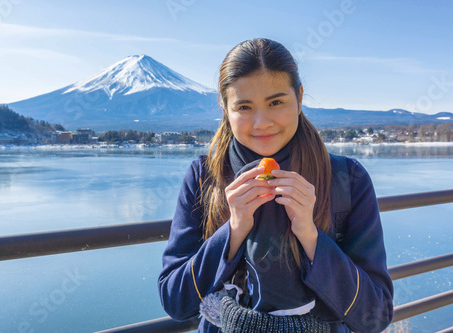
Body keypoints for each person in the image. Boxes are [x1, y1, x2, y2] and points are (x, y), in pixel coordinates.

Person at [158, 38, 393, 332]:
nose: (261, 123)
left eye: (276, 102)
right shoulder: (205, 176)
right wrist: (232, 231)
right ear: (225, 108)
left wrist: (310, 235)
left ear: (300, 98)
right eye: (244, 106)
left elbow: (377, 314)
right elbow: (175, 301)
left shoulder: (347, 179)